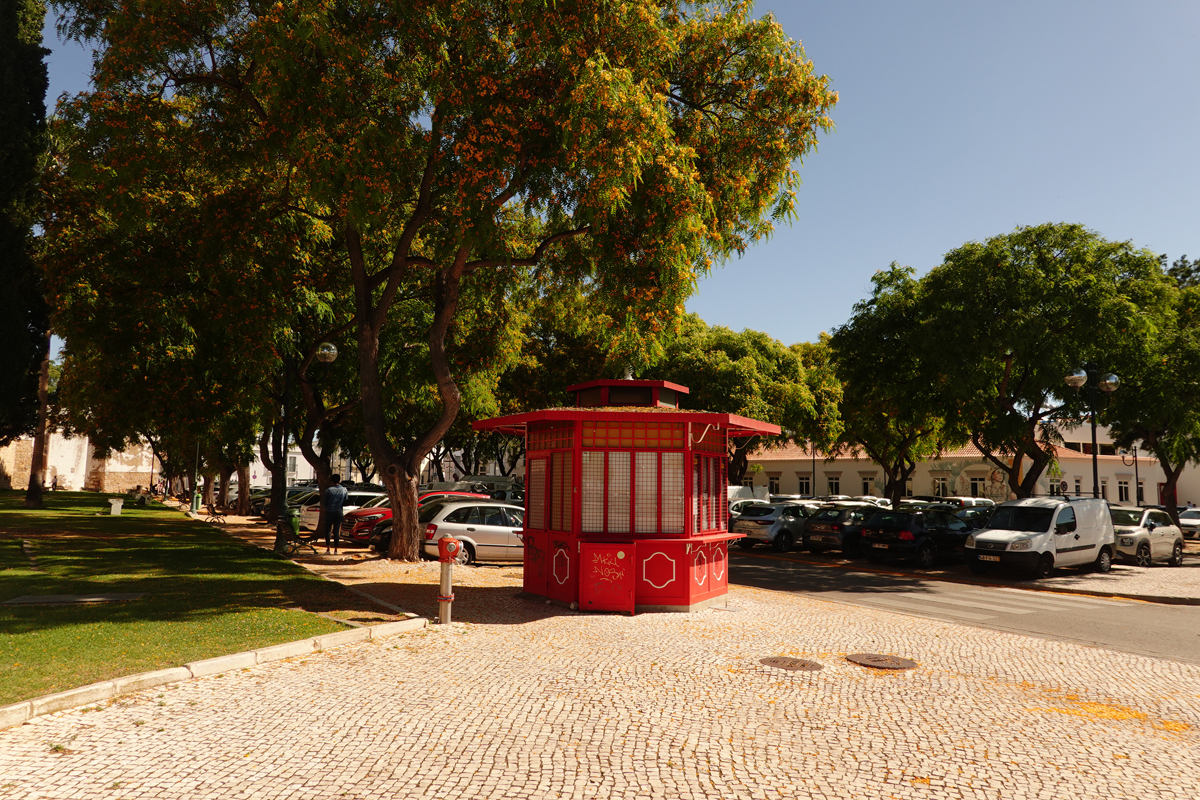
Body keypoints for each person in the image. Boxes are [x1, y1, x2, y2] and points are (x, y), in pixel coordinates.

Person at [320, 476, 349, 555]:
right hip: (339, 511)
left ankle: (328, 548)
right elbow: (346, 501)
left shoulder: (329, 490)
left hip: (329, 511)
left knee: (328, 530)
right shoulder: (344, 490)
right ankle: (336, 549)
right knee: (336, 531)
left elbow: (324, 502)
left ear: (332, 481)